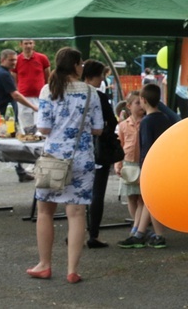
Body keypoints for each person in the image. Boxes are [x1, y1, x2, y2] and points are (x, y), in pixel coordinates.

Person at [28, 47, 104, 284]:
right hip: (81, 159)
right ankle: (72, 269)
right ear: (75, 66)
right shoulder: (92, 93)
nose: (82, 67)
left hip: (53, 159)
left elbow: (44, 128)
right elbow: (98, 129)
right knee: (77, 213)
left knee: (44, 211)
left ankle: (45, 264)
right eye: (81, 64)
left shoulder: (48, 89)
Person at [117, 83, 170, 249]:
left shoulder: (147, 122)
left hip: (150, 166)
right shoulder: (165, 119)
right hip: (163, 165)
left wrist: (143, 169)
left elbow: (146, 147)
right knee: (149, 201)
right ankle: (149, 234)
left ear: (143, 100)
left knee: (149, 200)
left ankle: (146, 234)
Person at [82, 59, 121, 249]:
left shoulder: (74, 94)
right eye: (101, 76)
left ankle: (77, 231)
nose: (102, 80)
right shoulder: (99, 96)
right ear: (91, 76)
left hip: (77, 150)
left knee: (79, 193)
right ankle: (93, 234)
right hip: (98, 151)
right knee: (97, 192)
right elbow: (111, 121)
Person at [0, 49, 40, 182]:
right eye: (11, 60)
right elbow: (15, 94)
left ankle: (21, 173)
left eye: (15, 60)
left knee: (3, 145)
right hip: (6, 117)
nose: (14, 63)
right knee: (7, 145)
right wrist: (33, 106)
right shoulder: (5, 75)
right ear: (2, 60)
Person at [114, 91, 145, 238]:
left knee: (142, 198)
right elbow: (120, 145)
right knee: (131, 196)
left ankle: (137, 227)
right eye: (137, 103)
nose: (140, 106)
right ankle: (136, 223)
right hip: (128, 163)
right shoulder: (123, 125)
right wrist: (118, 163)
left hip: (143, 163)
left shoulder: (146, 122)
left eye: (142, 102)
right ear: (129, 106)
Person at [12, 39, 50, 132]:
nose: (28, 46)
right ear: (21, 44)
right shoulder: (17, 60)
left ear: (34, 44)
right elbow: (14, 78)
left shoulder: (42, 58)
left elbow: (47, 76)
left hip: (40, 96)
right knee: (25, 126)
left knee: (40, 124)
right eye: (26, 43)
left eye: (30, 43)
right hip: (24, 97)